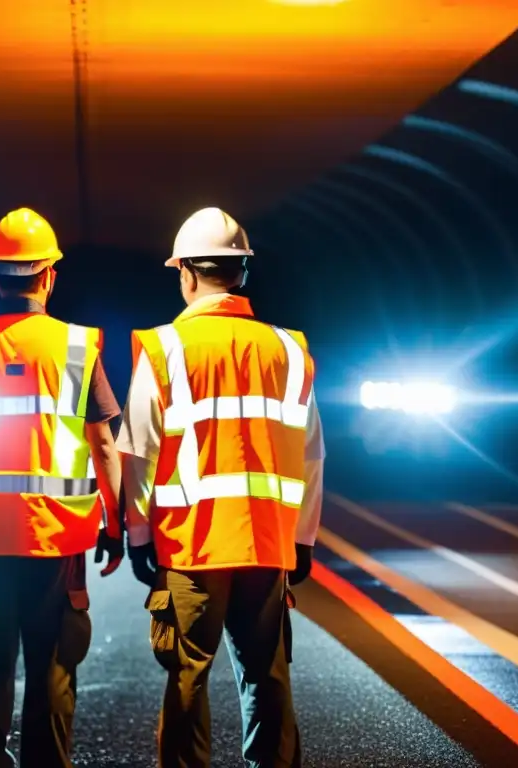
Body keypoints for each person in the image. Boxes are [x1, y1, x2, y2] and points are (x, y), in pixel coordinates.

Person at [115, 207, 325, 768]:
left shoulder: (165, 349)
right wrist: (301, 538)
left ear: (184, 272)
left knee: (188, 676)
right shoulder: (287, 349)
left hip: (191, 545)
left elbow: (138, 450)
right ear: (243, 274)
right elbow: (310, 453)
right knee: (267, 678)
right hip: (266, 543)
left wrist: (138, 536)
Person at [0, 207, 125, 768]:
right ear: (49, 275)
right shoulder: (78, 347)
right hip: (58, 540)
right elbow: (104, 446)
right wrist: (114, 522)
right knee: (53, 664)